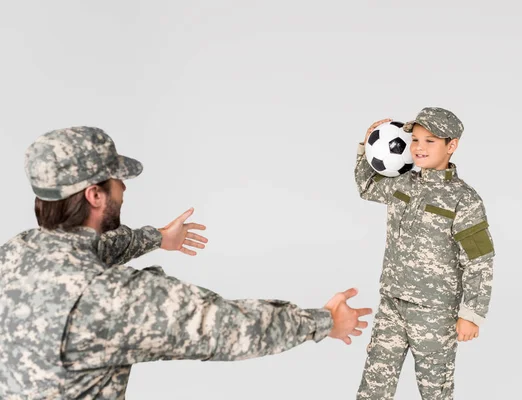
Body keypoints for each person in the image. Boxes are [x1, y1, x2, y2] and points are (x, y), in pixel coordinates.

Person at [0, 126, 372, 399]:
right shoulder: (107, 298)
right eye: (117, 181)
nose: (124, 189)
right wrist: (325, 321)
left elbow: (89, 250)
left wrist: (159, 237)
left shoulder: (15, 253)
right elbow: (227, 328)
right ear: (95, 195)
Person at [354, 108, 495, 399]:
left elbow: (479, 260)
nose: (419, 147)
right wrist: (366, 145)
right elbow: (366, 186)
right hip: (392, 303)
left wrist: (472, 313)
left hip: (435, 312)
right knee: (374, 386)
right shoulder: (402, 183)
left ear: (451, 146)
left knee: (435, 390)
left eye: (430, 141)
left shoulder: (464, 199)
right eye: (415, 140)